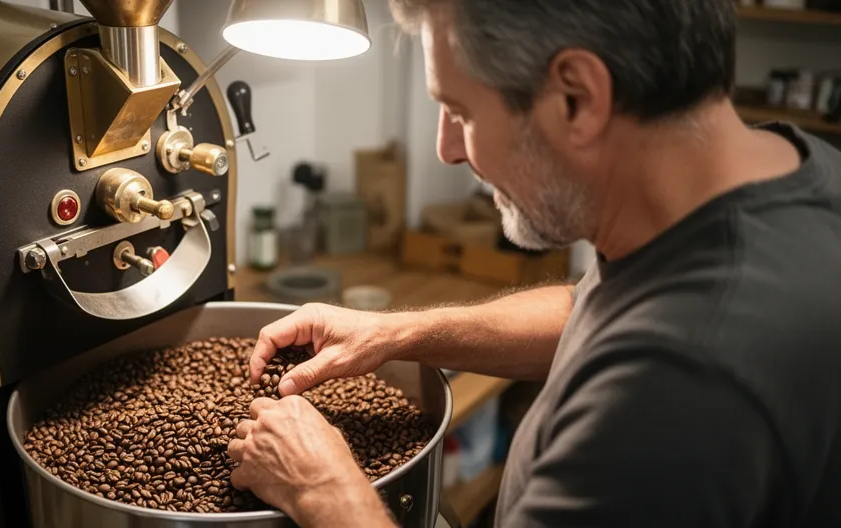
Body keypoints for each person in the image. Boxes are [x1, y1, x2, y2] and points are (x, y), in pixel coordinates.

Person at [225, 0, 841, 526]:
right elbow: (592, 310)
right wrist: (396, 334)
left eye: (461, 112)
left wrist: (324, 492)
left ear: (576, 97)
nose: (447, 150)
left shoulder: (678, 391)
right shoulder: (782, 171)